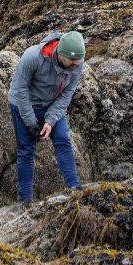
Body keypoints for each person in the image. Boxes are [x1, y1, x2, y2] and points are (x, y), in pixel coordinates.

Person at [9, 30, 86, 205]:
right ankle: (26, 200)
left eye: (79, 60)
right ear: (61, 54)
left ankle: (74, 189)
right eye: (73, 60)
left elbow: (67, 94)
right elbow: (20, 90)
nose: (77, 63)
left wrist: (50, 121)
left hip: (51, 105)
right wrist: (31, 122)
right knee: (26, 151)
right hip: (24, 104)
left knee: (62, 140)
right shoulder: (32, 57)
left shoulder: (77, 63)